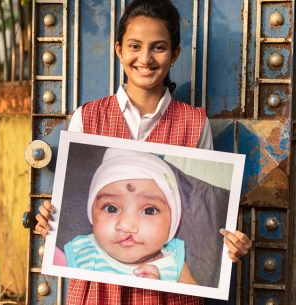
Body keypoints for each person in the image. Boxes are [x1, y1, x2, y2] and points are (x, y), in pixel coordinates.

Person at [35, 0, 252, 303]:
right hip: (99, 294)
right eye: (135, 46)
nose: (145, 58)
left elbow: (211, 223)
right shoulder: (89, 117)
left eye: (158, 47)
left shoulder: (194, 123)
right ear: (119, 49)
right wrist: (50, 221)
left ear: (174, 54)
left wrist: (231, 245)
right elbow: (61, 232)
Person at [62, 147, 197, 284]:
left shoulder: (174, 264)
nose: (126, 226)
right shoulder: (81, 252)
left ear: (172, 221)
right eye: (111, 208)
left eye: (149, 211)